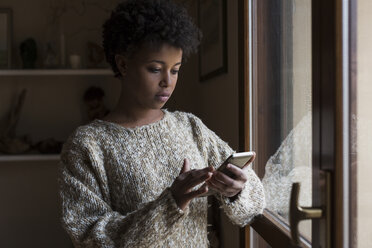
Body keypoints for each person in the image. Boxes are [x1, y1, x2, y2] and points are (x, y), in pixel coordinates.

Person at [59, 0, 265, 247]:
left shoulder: (190, 127)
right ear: (123, 64)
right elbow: (89, 237)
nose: (167, 81)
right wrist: (171, 204)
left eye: (175, 70)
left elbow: (254, 200)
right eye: (155, 69)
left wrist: (236, 190)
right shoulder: (86, 146)